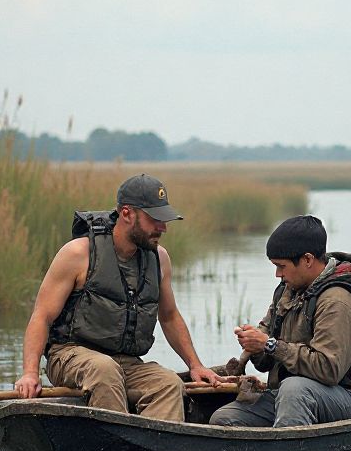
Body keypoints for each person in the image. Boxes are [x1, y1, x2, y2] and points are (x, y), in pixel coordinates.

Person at [13, 173, 219, 421]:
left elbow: (169, 316)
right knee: (104, 369)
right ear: (127, 214)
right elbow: (41, 317)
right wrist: (30, 373)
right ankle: (115, 447)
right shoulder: (78, 253)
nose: (163, 227)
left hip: (126, 363)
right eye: (155, 219)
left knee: (168, 383)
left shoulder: (159, 258)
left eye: (165, 220)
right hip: (69, 355)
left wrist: (195, 365)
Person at [209, 215, 351, 428]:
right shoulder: (287, 291)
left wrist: (271, 345)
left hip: (350, 399)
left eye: (281, 266)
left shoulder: (338, 301)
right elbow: (266, 360)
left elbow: (327, 370)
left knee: (294, 390)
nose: (277, 274)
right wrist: (255, 346)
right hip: (291, 396)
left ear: (308, 260)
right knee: (224, 419)